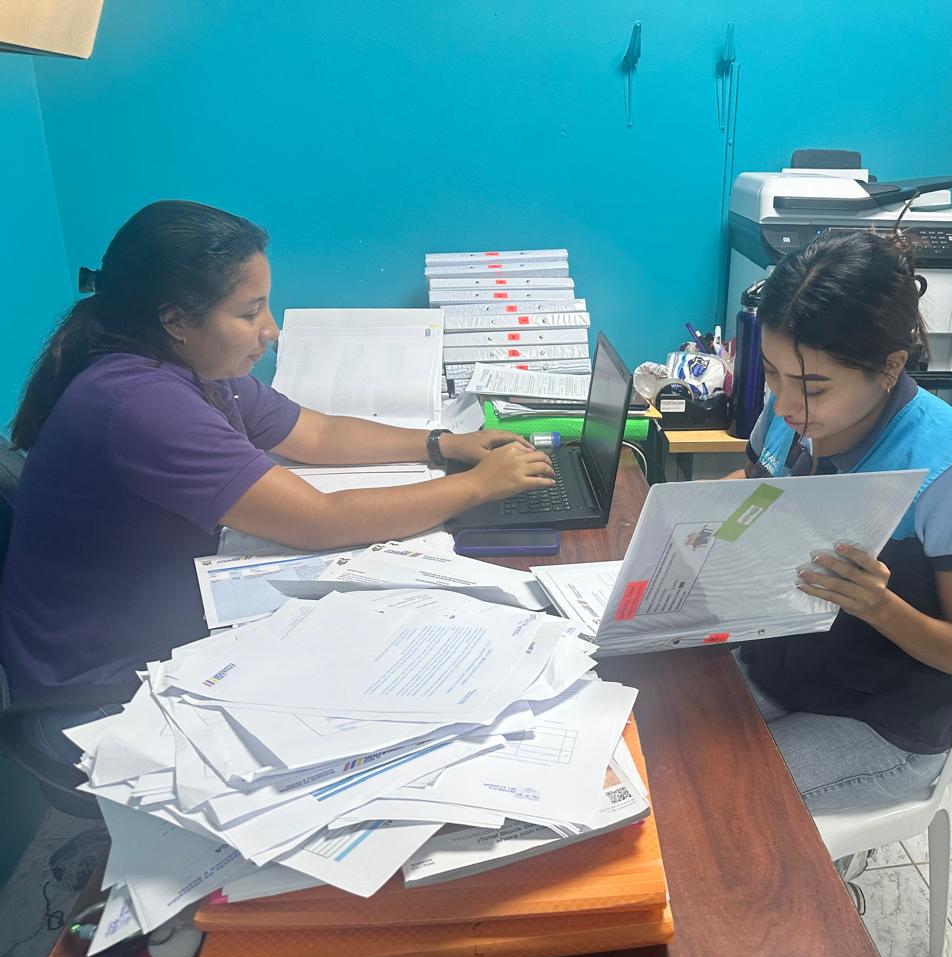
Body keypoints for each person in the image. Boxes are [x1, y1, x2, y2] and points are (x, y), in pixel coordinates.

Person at [0, 200, 556, 760]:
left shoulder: (192, 369)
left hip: (149, 639)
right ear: (175, 320)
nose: (271, 328)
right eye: (250, 313)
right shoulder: (141, 402)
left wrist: (442, 444)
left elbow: (316, 434)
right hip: (99, 694)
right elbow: (319, 521)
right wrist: (477, 486)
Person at [730, 230, 952, 822]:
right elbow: (754, 487)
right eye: (773, 374)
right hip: (781, 665)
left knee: (720, 805)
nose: (785, 404)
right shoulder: (790, 414)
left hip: (881, 721)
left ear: (890, 367)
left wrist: (878, 605)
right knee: (659, 727)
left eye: (813, 387)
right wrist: (702, 520)